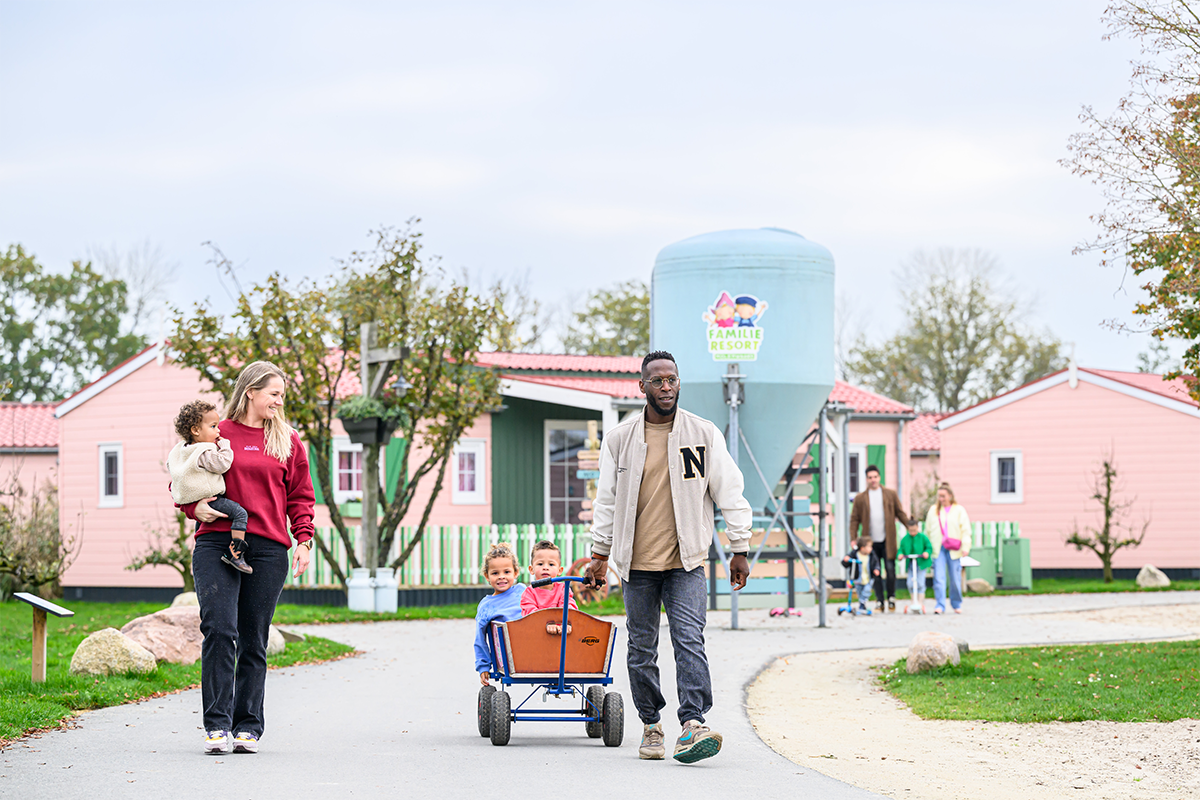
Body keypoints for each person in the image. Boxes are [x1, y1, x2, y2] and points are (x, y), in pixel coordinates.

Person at [584, 350, 752, 765]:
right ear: (641, 386)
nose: (665, 387)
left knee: (689, 640)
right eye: (656, 381)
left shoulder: (703, 433)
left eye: (671, 380)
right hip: (637, 564)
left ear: (679, 383)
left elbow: (730, 491)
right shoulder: (621, 440)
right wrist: (599, 553)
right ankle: (651, 725)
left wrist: (740, 548)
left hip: (687, 560)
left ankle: (692, 723)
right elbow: (606, 500)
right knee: (642, 648)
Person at [179, 361, 316, 756]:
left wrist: (303, 539)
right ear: (251, 391)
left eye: (282, 396)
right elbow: (182, 478)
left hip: (269, 549)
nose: (279, 401)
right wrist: (192, 510)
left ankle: (248, 727)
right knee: (220, 630)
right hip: (217, 543)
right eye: (274, 393)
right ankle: (217, 725)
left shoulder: (287, 440)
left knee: (254, 638)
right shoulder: (217, 434)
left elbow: (301, 496)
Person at [168, 400, 252, 573]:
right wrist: (225, 446)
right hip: (212, 499)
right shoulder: (204, 452)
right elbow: (222, 464)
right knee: (240, 513)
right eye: (213, 426)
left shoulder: (182, 450)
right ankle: (235, 554)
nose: (218, 430)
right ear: (196, 430)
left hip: (197, 501)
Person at [847, 464, 917, 613]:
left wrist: (910, 526)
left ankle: (891, 597)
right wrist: (853, 537)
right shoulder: (860, 498)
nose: (873, 480)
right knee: (875, 572)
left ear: (879, 477)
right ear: (866, 479)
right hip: (870, 543)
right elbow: (854, 519)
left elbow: (900, 512)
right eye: (870, 477)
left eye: (875, 477)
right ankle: (880, 601)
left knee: (890, 569)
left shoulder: (889, 494)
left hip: (887, 539)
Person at [474, 542, 527, 684]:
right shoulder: (486, 605)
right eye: (495, 573)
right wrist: (483, 666)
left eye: (507, 572)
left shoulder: (522, 591)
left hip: (532, 646)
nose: (501, 577)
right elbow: (480, 638)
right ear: (487, 576)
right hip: (507, 656)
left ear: (516, 573)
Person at [925, 482, 971, 615]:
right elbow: (928, 530)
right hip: (938, 548)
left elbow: (965, 529)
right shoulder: (933, 511)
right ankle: (940, 604)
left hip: (954, 548)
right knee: (939, 578)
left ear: (950, 496)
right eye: (939, 496)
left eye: (943, 496)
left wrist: (966, 546)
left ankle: (956, 603)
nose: (941, 499)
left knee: (955, 578)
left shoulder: (959, 510)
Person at [520, 540, 577, 634]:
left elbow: (569, 607)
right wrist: (546, 624)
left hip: (561, 633)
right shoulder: (529, 593)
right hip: (536, 634)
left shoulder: (563, 589)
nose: (545, 567)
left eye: (551, 564)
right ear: (531, 569)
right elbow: (530, 614)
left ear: (559, 570)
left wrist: (566, 623)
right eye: (540, 564)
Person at [899, 524, 933, 614]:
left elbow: (929, 547)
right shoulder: (905, 539)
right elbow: (901, 549)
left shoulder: (923, 537)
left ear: (918, 528)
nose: (912, 532)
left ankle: (920, 602)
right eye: (910, 530)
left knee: (920, 582)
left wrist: (926, 552)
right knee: (910, 583)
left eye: (914, 530)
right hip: (911, 563)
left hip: (921, 563)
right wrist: (900, 554)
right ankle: (913, 600)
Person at [840, 536, 879, 614]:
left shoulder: (871, 555)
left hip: (868, 578)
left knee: (867, 591)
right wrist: (846, 559)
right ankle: (862, 605)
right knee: (860, 592)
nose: (871, 548)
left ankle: (862, 604)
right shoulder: (854, 554)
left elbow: (876, 563)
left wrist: (876, 569)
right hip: (858, 579)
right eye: (869, 547)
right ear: (862, 548)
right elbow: (845, 563)